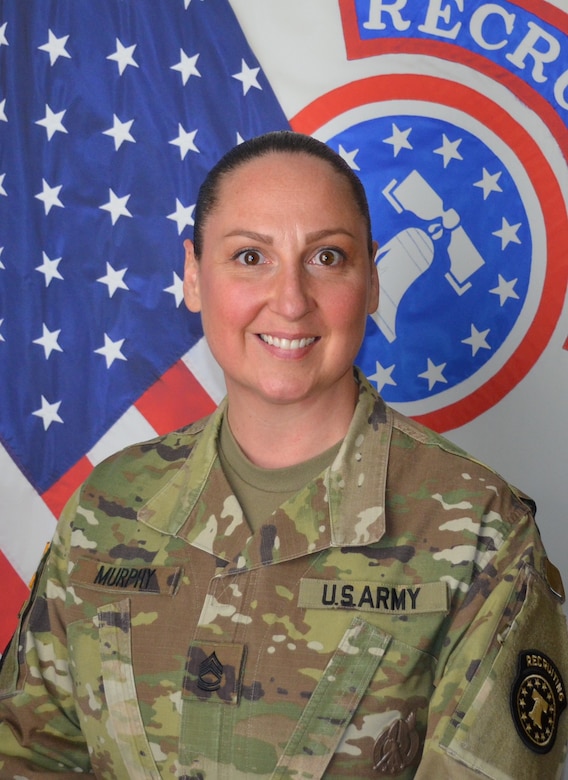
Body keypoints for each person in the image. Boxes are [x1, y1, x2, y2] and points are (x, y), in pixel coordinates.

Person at [0, 130, 566, 779]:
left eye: (327, 257)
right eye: (250, 256)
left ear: (373, 280)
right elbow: (30, 751)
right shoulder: (110, 507)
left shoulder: (479, 534)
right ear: (193, 274)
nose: (292, 300)